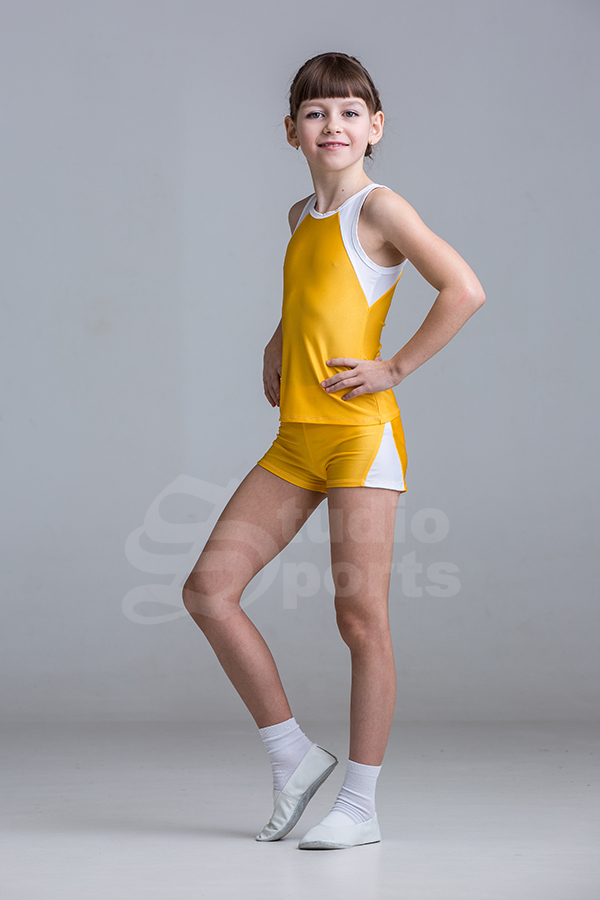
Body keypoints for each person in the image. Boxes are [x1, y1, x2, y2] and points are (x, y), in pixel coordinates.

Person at [182, 51, 485, 850]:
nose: (334, 125)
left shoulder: (380, 208)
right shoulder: (300, 216)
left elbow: (463, 288)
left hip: (360, 438)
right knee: (209, 591)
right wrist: (276, 341)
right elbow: (314, 294)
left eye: (351, 112)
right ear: (292, 131)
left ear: (375, 127)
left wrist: (395, 368)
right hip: (296, 441)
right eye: (317, 113)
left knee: (360, 618)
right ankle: (292, 755)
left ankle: (361, 803)